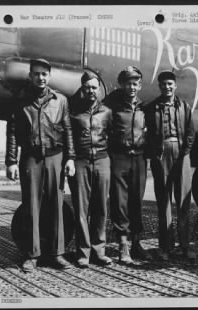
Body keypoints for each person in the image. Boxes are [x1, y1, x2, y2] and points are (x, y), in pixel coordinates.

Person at [5, 58, 76, 272]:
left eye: (44, 74)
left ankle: (57, 254)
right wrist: (11, 161)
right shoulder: (20, 100)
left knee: (56, 205)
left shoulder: (60, 100)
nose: (40, 77)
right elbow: (13, 132)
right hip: (31, 157)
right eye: (36, 73)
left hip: (56, 157)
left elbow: (68, 130)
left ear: (49, 76)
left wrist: (70, 157)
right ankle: (32, 255)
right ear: (30, 76)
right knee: (31, 206)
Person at [145, 71, 196, 261]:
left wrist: (185, 151)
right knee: (163, 201)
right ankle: (165, 247)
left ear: (175, 86)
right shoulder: (152, 108)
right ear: (159, 86)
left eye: (170, 84)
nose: (167, 87)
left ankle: (185, 246)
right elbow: (148, 134)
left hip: (181, 153)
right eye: (163, 84)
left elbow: (191, 131)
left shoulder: (184, 106)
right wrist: (154, 154)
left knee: (183, 201)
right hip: (162, 153)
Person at [105, 66, 150, 264]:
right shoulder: (111, 106)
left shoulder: (144, 108)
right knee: (119, 202)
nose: (131, 87)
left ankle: (136, 243)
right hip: (119, 158)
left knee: (136, 202)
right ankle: (123, 245)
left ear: (139, 85)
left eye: (135, 83)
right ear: (121, 85)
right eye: (128, 83)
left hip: (139, 158)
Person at [68, 71, 113, 268]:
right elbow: (67, 138)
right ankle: (83, 253)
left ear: (99, 89)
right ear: (82, 88)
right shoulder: (73, 112)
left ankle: (99, 251)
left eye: (94, 87)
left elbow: (113, 137)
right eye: (87, 87)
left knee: (101, 208)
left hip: (102, 161)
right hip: (81, 162)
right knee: (81, 209)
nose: (91, 91)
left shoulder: (107, 112)